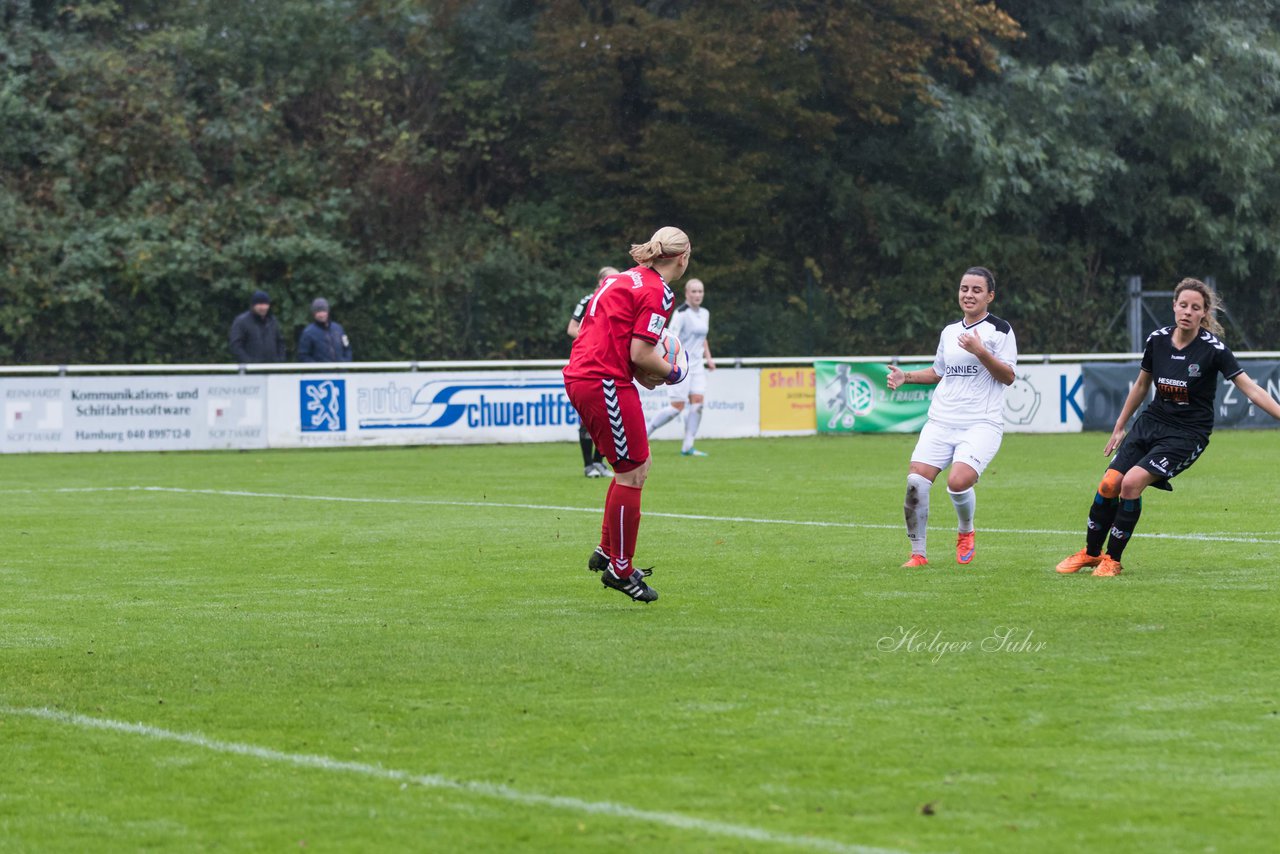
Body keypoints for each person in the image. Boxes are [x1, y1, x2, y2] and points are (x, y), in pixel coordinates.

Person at [1055, 278, 1280, 577]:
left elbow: (1251, 389)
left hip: (1187, 434)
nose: (1187, 311)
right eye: (1183, 305)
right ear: (1174, 306)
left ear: (1204, 313)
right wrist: (1120, 426)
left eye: (1195, 307)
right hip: (1151, 422)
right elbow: (1141, 385)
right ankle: (1091, 553)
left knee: (1131, 483)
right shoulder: (1157, 340)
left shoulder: (1214, 350)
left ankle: (1113, 559)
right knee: (1109, 483)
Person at [563, 227, 691, 603]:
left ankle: (607, 550)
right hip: (603, 380)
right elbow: (640, 352)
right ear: (683, 257)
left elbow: (614, 340)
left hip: (590, 374)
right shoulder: (658, 290)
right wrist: (674, 372)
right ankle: (620, 568)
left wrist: (641, 373)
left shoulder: (624, 277)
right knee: (632, 472)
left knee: (636, 465)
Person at [886, 266, 1017, 568]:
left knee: (958, 482)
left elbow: (1008, 376)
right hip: (941, 421)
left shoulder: (1000, 330)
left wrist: (981, 351)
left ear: (990, 296)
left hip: (981, 423)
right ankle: (918, 554)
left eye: (976, 290)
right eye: (964, 289)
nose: (968, 295)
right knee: (915, 482)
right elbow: (938, 372)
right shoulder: (949, 331)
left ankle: (965, 530)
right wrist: (906, 376)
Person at [645, 277, 716, 455]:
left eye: (700, 291)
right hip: (682, 365)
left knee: (698, 404)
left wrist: (709, 358)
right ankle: (644, 434)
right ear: (687, 293)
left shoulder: (705, 313)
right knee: (677, 407)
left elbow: (702, 339)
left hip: (698, 366)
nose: (697, 295)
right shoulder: (681, 314)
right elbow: (669, 338)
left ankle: (688, 446)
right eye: (694, 291)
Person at [567, 267, 618, 478]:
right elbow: (572, 328)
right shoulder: (588, 300)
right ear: (599, 282)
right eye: (610, 279)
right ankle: (588, 465)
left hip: (610, 365)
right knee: (588, 419)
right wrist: (594, 340)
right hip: (588, 365)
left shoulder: (618, 301)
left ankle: (599, 463)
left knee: (610, 417)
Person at [229, 290, 286, 363]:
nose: (263, 307)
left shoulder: (273, 321)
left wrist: (280, 361)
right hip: (250, 372)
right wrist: (250, 363)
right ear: (253, 305)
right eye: (259, 304)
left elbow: (280, 342)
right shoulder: (241, 321)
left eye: (265, 304)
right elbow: (236, 346)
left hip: (272, 370)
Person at [298, 298, 353, 363]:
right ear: (314, 314)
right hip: (321, 372)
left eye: (323, 311)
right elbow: (303, 355)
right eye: (318, 312)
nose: (321, 315)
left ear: (328, 312)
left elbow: (347, 348)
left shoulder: (339, 329)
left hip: (341, 372)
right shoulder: (308, 332)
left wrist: (345, 363)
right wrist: (317, 368)